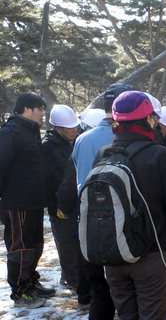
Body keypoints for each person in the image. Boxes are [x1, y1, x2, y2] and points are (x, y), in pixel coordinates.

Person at [102, 91, 166, 319]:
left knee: (126, 315)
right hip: (154, 254)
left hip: (113, 253)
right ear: (149, 119)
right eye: (154, 117)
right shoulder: (158, 154)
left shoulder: (103, 155)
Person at [56, 83, 134, 319]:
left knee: (99, 294)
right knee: (128, 295)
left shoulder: (82, 140)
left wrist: (64, 209)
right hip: (125, 228)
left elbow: (73, 181)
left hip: (89, 227)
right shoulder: (131, 139)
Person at [0, 92, 54, 308]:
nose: (43, 113)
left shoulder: (30, 132)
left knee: (35, 245)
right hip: (17, 203)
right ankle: (20, 292)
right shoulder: (10, 133)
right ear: (27, 109)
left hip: (34, 201)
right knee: (20, 248)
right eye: (40, 109)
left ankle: (31, 282)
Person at [42, 105, 83, 292]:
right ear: (58, 128)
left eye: (76, 126)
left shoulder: (77, 140)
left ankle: (75, 276)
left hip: (77, 199)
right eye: (70, 127)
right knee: (66, 243)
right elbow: (50, 177)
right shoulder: (48, 146)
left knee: (79, 241)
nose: (74, 129)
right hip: (59, 202)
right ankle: (73, 280)